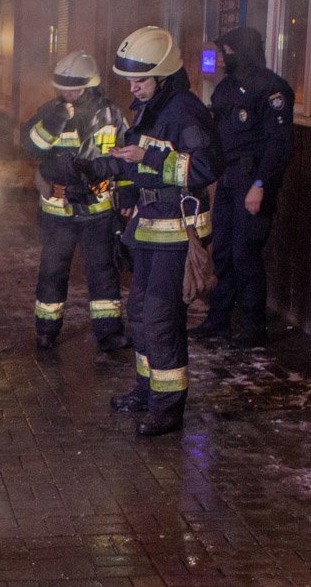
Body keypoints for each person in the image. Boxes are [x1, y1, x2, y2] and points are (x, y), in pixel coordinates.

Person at [80, 26, 222, 436]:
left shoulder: (185, 111)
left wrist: (149, 158)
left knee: (161, 319)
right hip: (148, 230)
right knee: (140, 314)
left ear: (163, 76)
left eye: (140, 81)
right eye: (130, 81)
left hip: (177, 234)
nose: (134, 88)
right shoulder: (151, 109)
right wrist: (102, 170)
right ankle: (146, 391)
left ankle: (168, 407)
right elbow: (137, 160)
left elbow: (207, 167)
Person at [23, 50, 131, 352]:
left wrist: (129, 194)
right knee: (52, 270)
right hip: (58, 209)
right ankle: (46, 329)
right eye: (62, 87)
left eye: (73, 88)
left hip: (98, 211)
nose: (67, 93)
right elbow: (29, 148)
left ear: (90, 84)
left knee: (103, 273)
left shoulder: (111, 114)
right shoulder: (50, 112)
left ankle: (109, 333)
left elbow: (124, 157)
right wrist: (55, 121)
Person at [192, 27, 294, 347]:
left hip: (253, 180)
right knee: (222, 251)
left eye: (226, 51)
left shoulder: (272, 89)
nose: (220, 58)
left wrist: (261, 184)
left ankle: (253, 327)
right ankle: (219, 319)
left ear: (242, 51)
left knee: (245, 252)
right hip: (228, 179)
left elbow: (280, 143)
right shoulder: (225, 90)